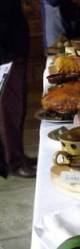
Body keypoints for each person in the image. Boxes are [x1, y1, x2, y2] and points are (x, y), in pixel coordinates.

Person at [0, 0, 37, 178]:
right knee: (8, 112)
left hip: (16, 50)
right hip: (6, 54)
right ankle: (14, 161)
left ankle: (18, 155)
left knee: (17, 109)